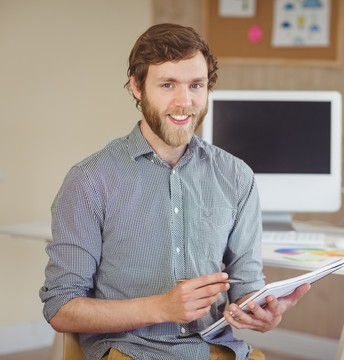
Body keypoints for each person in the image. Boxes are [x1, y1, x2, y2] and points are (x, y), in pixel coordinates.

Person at [39, 23, 310, 360]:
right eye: (168, 85)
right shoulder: (90, 180)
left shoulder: (236, 176)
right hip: (132, 351)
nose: (185, 102)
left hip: (218, 350)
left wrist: (262, 311)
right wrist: (162, 308)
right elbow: (61, 308)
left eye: (196, 85)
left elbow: (246, 286)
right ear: (137, 88)